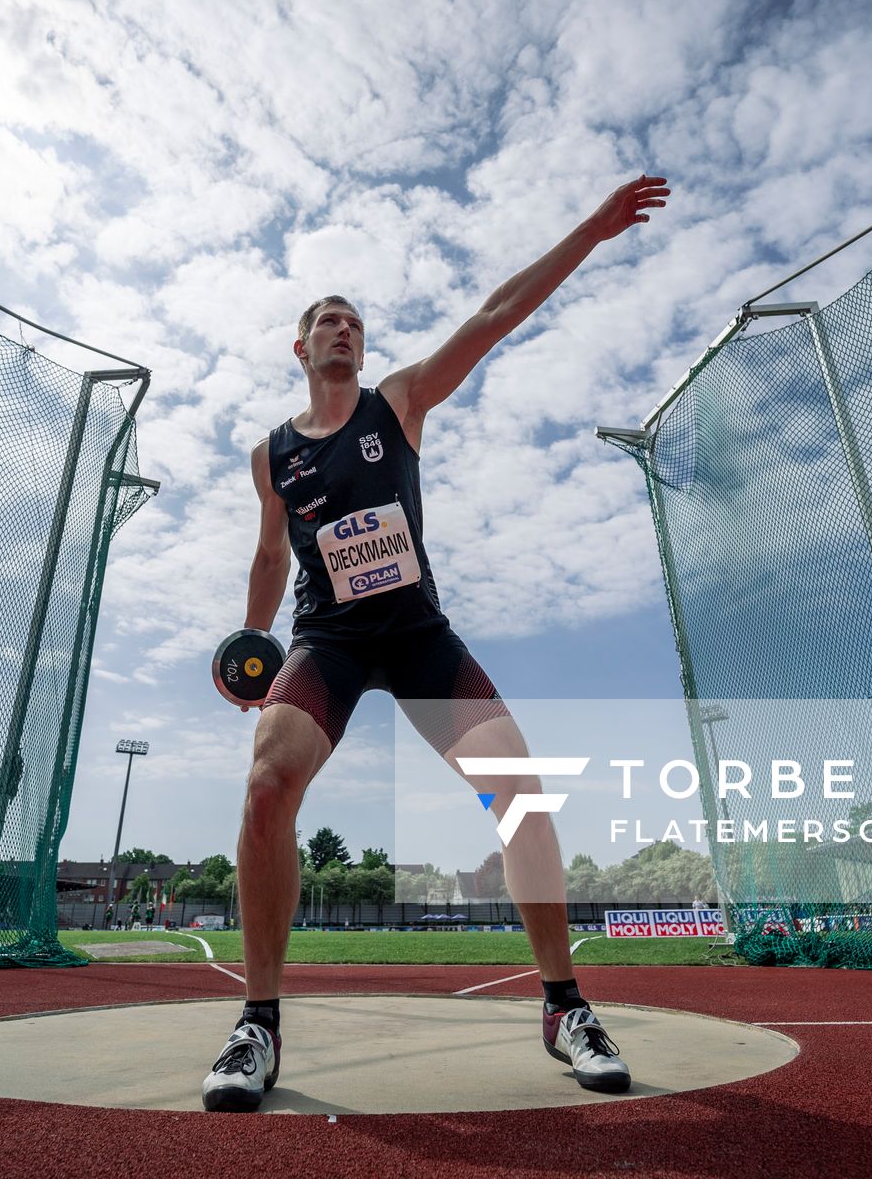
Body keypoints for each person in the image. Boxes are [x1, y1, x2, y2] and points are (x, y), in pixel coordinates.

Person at [201, 175, 668, 1112]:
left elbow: (495, 315)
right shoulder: (272, 455)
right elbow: (267, 551)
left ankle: (565, 1009)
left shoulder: (400, 402)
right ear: (300, 346)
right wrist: (251, 643)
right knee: (264, 784)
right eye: (329, 321)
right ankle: (258, 1024)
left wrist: (594, 226)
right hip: (325, 639)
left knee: (519, 790)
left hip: (417, 636)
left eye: (355, 323)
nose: (345, 331)